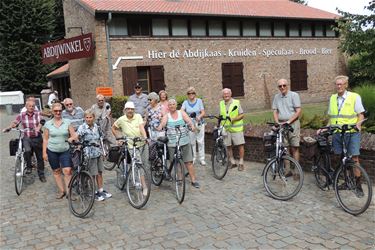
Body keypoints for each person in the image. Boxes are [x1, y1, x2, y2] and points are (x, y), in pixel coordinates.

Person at [318, 75, 365, 195]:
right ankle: (346, 181)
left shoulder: (354, 97)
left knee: (354, 158)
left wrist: (358, 125)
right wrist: (325, 128)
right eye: (337, 84)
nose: (339, 86)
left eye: (341, 84)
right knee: (341, 157)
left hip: (351, 132)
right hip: (337, 133)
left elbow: (361, 114)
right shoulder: (332, 98)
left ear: (346, 85)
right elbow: (332, 118)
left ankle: (358, 185)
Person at [157, 99, 200, 188]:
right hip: (172, 142)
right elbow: (163, 124)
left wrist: (192, 126)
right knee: (176, 162)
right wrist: (160, 127)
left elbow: (189, 121)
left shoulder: (181, 113)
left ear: (176, 105)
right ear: (168, 107)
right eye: (170, 104)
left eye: (173, 104)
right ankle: (179, 178)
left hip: (184, 140)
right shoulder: (166, 116)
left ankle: (193, 180)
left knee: (189, 162)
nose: (172, 106)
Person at [112, 101, 149, 196]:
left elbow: (141, 127)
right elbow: (113, 128)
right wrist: (118, 138)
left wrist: (145, 137)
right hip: (131, 145)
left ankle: (140, 179)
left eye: (132, 109)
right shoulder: (121, 119)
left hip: (142, 143)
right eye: (128, 109)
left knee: (145, 164)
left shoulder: (138, 116)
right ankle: (143, 186)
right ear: (125, 110)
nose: (130, 111)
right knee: (138, 165)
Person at [3, 100, 46, 182]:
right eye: (29, 106)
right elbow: (15, 123)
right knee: (27, 150)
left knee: (40, 157)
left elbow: (42, 121)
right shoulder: (22, 115)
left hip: (37, 137)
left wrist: (38, 127)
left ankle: (41, 175)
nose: (31, 107)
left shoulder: (37, 114)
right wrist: (9, 128)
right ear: (26, 107)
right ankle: (29, 167)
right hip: (27, 137)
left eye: (33, 106)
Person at [74, 110, 112, 201]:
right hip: (88, 154)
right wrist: (75, 142)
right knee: (92, 174)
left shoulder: (97, 127)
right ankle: (93, 192)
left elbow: (101, 140)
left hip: (97, 152)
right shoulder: (82, 127)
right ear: (84, 118)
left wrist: (103, 152)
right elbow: (77, 137)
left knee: (100, 172)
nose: (88, 119)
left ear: (93, 118)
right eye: (87, 117)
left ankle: (100, 190)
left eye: (90, 117)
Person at [43, 103, 76, 199]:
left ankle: (69, 193)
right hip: (52, 150)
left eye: (60, 111)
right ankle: (62, 191)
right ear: (52, 112)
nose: (58, 112)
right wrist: (44, 153)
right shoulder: (48, 124)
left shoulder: (67, 122)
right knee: (56, 171)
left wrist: (72, 138)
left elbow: (73, 134)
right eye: (56, 111)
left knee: (67, 170)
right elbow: (45, 139)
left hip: (65, 150)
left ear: (62, 111)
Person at [272, 79, 302, 175]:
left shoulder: (294, 95)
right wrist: (277, 122)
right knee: (284, 148)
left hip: (292, 124)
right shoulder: (276, 97)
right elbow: (275, 111)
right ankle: (287, 170)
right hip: (282, 124)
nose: (282, 87)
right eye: (280, 86)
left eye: (284, 85)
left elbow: (298, 111)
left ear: (287, 85)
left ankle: (296, 170)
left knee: (294, 147)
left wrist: (289, 121)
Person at [219, 88, 245, 171]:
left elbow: (242, 115)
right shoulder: (221, 103)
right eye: (224, 94)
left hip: (236, 128)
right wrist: (219, 126)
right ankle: (232, 162)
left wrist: (234, 119)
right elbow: (220, 116)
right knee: (228, 145)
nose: (226, 95)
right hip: (226, 129)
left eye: (227, 93)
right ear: (222, 95)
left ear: (231, 94)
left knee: (240, 145)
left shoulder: (236, 102)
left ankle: (241, 162)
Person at [181, 87, 206, 166]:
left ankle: (202, 158)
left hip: (199, 123)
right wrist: (186, 118)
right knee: (192, 142)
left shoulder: (199, 101)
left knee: (200, 141)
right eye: (189, 93)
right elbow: (181, 111)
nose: (191, 95)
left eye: (192, 93)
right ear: (187, 95)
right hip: (190, 124)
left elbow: (203, 112)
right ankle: (193, 158)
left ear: (195, 94)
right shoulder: (185, 102)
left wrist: (199, 116)